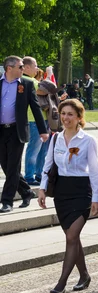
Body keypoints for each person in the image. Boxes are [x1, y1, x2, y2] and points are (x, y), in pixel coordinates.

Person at [38, 99, 98, 293]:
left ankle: (61, 283)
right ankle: (84, 275)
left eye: (70, 114)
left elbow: (94, 170)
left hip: (82, 190)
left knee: (72, 236)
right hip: (62, 192)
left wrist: (96, 197)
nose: (65, 118)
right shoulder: (56, 138)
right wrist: (42, 189)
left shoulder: (87, 140)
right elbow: (48, 165)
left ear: (79, 117)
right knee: (72, 237)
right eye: (63, 113)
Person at [0, 56, 48, 213]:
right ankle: (26, 191)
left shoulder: (26, 84)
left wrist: (43, 131)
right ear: (9, 68)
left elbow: (35, 107)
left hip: (17, 131)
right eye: (20, 67)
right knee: (6, 166)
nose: (23, 69)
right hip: (1, 130)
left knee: (13, 165)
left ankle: (7, 201)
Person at [23, 56, 46, 186]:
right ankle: (29, 176)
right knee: (34, 149)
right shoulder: (28, 80)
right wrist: (50, 74)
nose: (37, 68)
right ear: (27, 67)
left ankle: (38, 174)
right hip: (33, 120)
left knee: (42, 150)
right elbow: (45, 90)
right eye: (35, 65)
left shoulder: (32, 80)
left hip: (41, 119)